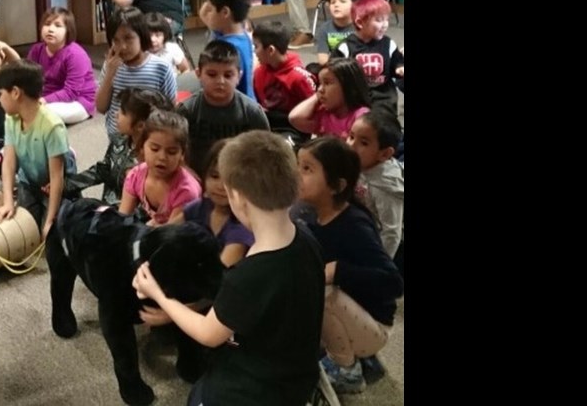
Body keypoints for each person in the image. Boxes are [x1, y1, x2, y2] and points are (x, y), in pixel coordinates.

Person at [133, 131, 325, 406]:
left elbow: (208, 334)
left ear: (237, 196)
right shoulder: (307, 239)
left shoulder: (247, 275)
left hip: (256, 389)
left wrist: (160, 295)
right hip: (299, 373)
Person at [293, 136, 403, 394]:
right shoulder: (309, 211)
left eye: (307, 169)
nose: (297, 175)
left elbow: (393, 283)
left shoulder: (353, 225)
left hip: (375, 325)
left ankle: (348, 371)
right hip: (352, 314)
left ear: (336, 186)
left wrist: (338, 270)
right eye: (298, 165)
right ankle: (353, 353)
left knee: (323, 293)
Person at [0, 60, 77, 240]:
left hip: (55, 185)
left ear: (16, 93)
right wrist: (8, 202)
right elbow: (9, 163)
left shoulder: (52, 125)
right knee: (23, 230)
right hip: (29, 182)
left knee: (52, 235)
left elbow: (57, 177)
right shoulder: (11, 119)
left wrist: (50, 221)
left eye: (0, 94)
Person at [64, 87, 175, 205]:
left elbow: (146, 207)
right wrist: (66, 185)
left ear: (140, 126)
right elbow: (103, 169)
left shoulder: (153, 161)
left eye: (122, 112)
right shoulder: (119, 139)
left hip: (126, 218)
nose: (117, 115)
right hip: (105, 209)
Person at [177, 40, 270, 176]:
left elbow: (264, 152)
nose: (220, 81)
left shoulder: (252, 112)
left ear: (239, 76)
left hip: (240, 178)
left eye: (228, 75)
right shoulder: (187, 110)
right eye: (212, 74)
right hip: (196, 179)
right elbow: (174, 149)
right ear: (198, 74)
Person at [96, 7, 177, 142]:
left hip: (149, 139)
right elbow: (101, 107)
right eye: (116, 40)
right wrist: (110, 74)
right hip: (117, 139)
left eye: (128, 38)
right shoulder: (111, 66)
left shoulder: (161, 68)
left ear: (141, 35)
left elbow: (170, 110)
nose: (123, 46)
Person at [170, 138, 254, 268]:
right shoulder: (200, 207)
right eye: (214, 176)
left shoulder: (242, 225)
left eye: (230, 181)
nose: (221, 186)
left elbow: (221, 272)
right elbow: (165, 234)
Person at [119, 109, 201, 226]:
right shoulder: (135, 176)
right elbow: (122, 219)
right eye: (155, 149)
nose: (162, 157)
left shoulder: (186, 191)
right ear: (142, 147)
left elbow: (169, 236)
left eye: (171, 152)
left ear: (182, 154)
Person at [331, 0, 404, 119]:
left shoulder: (388, 44)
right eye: (379, 20)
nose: (385, 25)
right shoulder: (345, 47)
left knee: (384, 129)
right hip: (356, 98)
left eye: (387, 19)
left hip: (384, 97)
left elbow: (397, 62)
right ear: (359, 22)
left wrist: (399, 68)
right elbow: (333, 72)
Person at [347, 111, 404, 259]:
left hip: (386, 245)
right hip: (363, 228)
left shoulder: (386, 187)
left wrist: (380, 267)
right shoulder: (359, 163)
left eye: (363, 143)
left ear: (384, 154)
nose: (351, 145)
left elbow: (391, 233)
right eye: (351, 136)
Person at [26, 7, 97, 125]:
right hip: (46, 97)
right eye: (47, 24)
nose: (50, 29)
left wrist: (43, 101)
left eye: (58, 25)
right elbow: (26, 77)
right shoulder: (37, 50)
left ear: (68, 31)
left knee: (39, 113)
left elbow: (71, 92)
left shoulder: (76, 54)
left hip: (78, 101)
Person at [251, 19, 317, 143]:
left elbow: (315, 110)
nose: (254, 51)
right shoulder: (259, 72)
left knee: (277, 150)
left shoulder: (299, 77)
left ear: (270, 50)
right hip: (267, 123)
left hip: (293, 128)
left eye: (256, 46)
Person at [198, 0, 256, 101]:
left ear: (225, 12)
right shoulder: (237, 32)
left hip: (234, 106)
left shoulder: (229, 48)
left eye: (211, 9)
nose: (207, 13)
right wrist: (212, 0)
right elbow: (204, 15)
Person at [289, 57, 371, 140]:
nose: (320, 89)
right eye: (320, 84)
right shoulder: (324, 114)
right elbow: (295, 118)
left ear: (349, 86)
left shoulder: (360, 116)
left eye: (327, 83)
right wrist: (317, 96)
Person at [310, 0, 359, 73]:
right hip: (334, 67)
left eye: (342, 1)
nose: (336, 5)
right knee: (311, 69)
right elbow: (322, 59)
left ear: (355, 5)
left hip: (355, 68)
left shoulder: (360, 26)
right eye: (333, 2)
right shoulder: (325, 28)